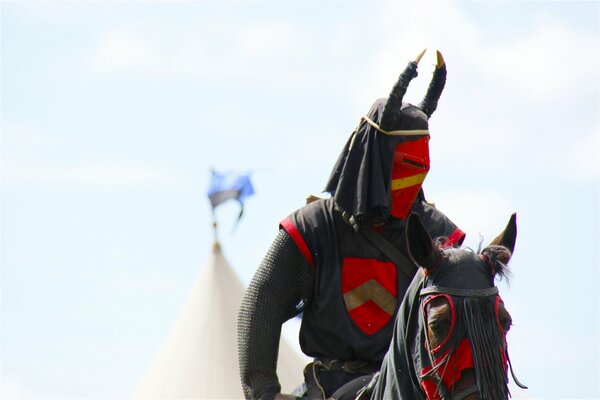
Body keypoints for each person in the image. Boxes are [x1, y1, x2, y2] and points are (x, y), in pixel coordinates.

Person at [237, 50, 465, 400]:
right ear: (377, 156)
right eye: (407, 164)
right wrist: (264, 394)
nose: (414, 175)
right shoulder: (315, 229)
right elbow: (260, 306)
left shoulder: (438, 237)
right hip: (327, 390)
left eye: (421, 166)